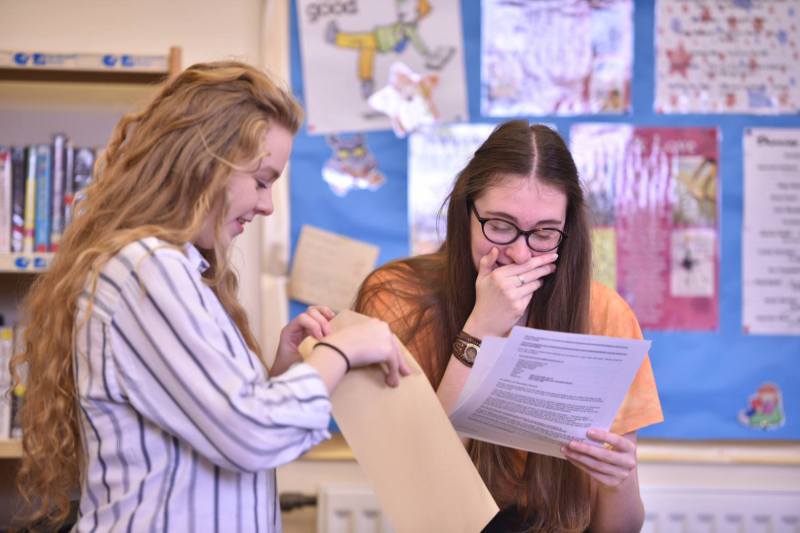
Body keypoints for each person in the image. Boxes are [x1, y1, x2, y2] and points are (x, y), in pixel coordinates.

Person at [10, 61, 410, 532]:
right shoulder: (147, 269)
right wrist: (341, 352)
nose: (267, 205)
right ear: (203, 164)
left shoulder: (174, 270)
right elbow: (251, 434)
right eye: (261, 181)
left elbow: (224, 422)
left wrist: (285, 369)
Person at [355, 120, 663, 532]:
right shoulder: (398, 294)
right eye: (499, 226)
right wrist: (480, 329)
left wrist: (617, 482)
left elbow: (621, 529)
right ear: (466, 212)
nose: (519, 253)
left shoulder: (604, 313)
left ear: (566, 232)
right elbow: (417, 480)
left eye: (544, 233)